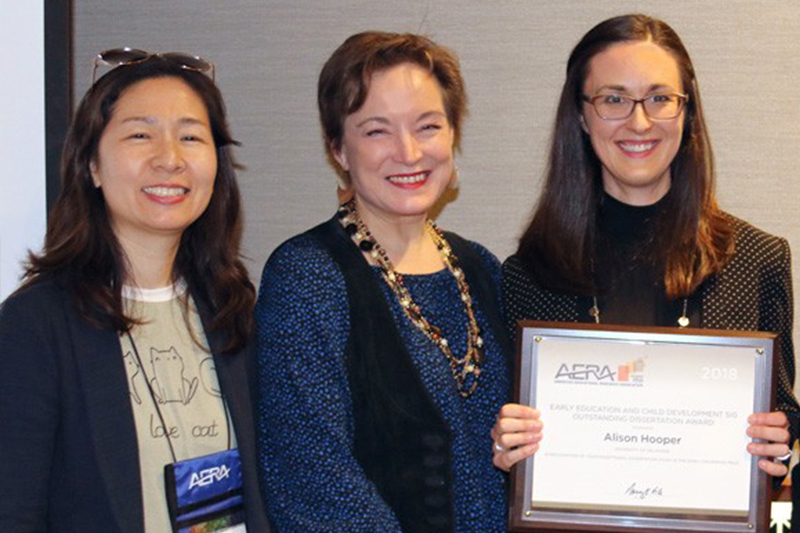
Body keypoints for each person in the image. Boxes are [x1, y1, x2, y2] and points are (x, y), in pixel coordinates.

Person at [493, 14, 798, 477]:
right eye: (614, 99)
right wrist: (508, 443)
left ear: (687, 111)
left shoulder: (757, 260)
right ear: (580, 114)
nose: (640, 122)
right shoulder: (529, 273)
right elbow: (512, 421)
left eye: (660, 99)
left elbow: (782, 409)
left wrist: (779, 438)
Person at [0, 50, 269, 532]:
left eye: (190, 137)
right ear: (92, 166)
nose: (170, 159)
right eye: (140, 135)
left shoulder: (231, 305)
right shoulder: (34, 325)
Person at [255, 32, 511, 532]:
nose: (409, 151)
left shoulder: (481, 268)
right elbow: (315, 483)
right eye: (376, 131)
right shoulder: (307, 277)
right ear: (339, 149)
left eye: (428, 126)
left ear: (453, 135)